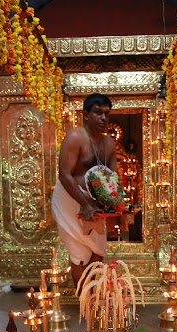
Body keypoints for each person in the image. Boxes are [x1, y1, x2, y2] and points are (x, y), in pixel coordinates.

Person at [51, 93, 117, 287]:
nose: (103, 118)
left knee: (98, 250)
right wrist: (85, 204)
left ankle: (93, 294)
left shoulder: (109, 143)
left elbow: (112, 179)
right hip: (69, 199)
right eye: (98, 113)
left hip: (93, 201)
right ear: (85, 115)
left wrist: (116, 202)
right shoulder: (75, 137)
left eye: (106, 113)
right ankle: (84, 301)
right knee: (79, 253)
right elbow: (64, 175)